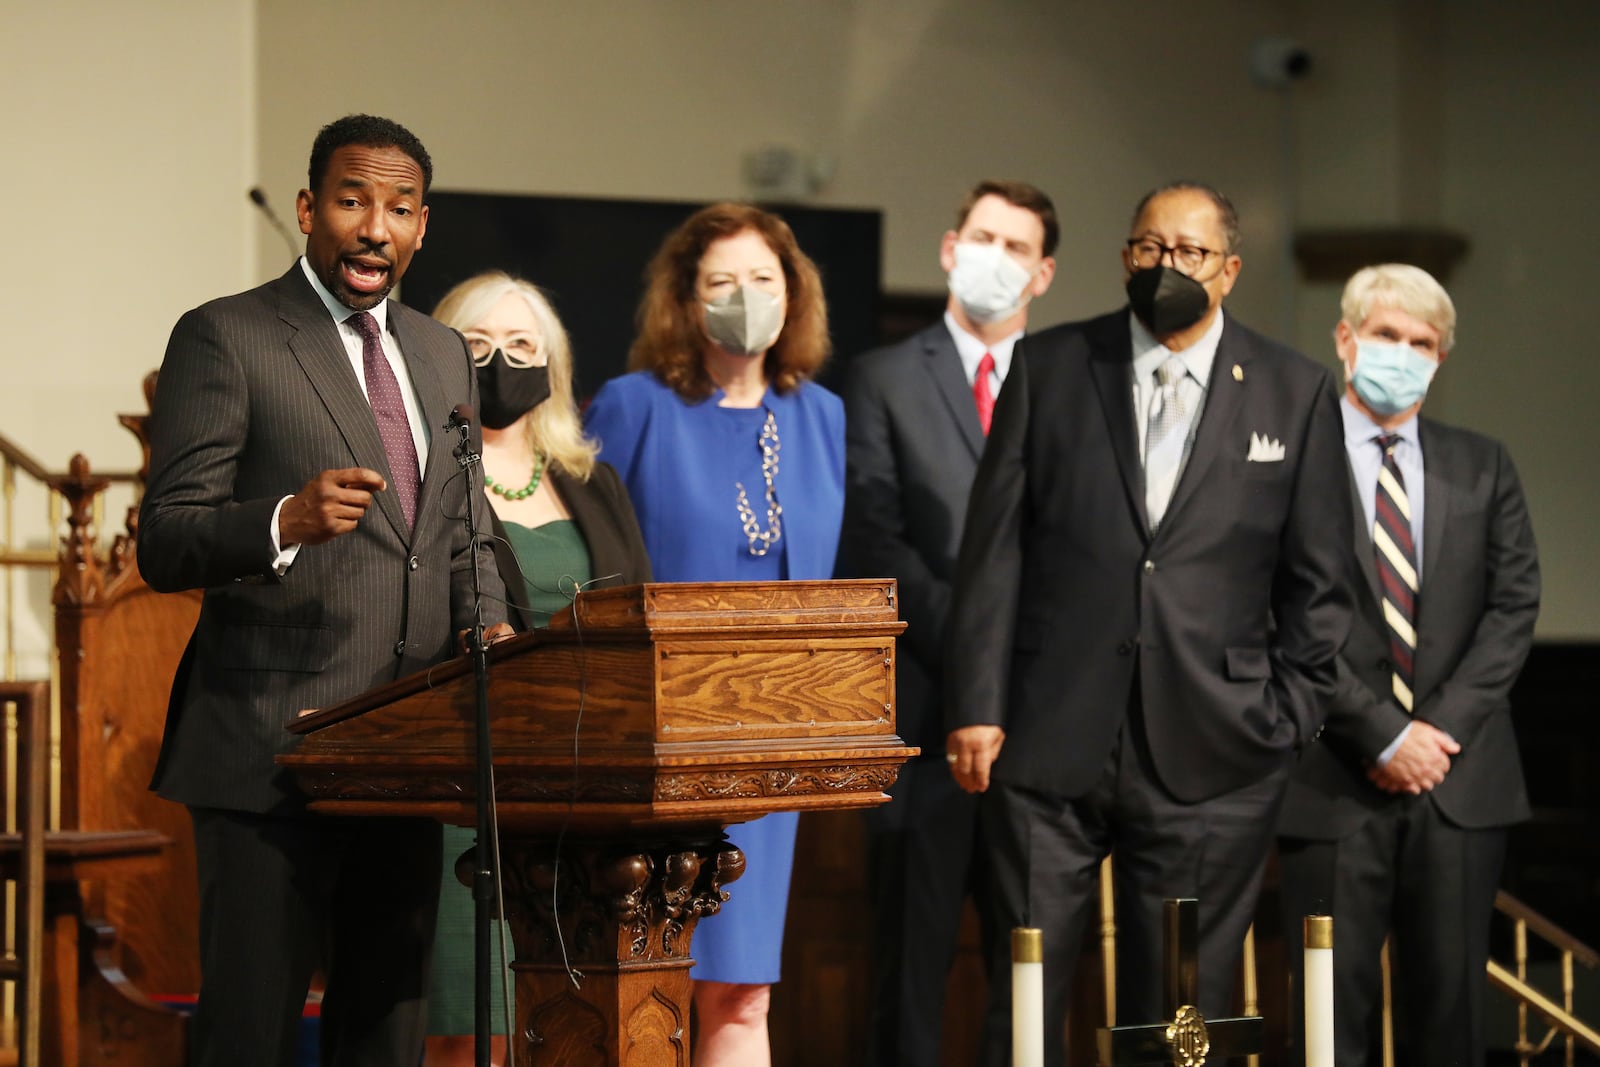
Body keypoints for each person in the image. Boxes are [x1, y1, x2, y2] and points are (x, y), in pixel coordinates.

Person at [944, 181, 1354, 1065]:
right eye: (1148, 248)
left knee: (1178, 1018)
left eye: (1190, 252)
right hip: (1045, 739)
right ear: (1126, 255)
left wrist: (1285, 719)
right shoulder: (1052, 366)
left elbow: (1320, 583)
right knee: (1020, 1002)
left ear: (1230, 270)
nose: (1166, 266)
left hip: (1218, 750)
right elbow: (995, 550)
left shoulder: (1295, 390)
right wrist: (977, 701)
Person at [139, 114, 510, 1067]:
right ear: (310, 210)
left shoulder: (439, 353)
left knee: (385, 1037)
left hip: (404, 757)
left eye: (397, 208)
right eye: (351, 201)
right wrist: (282, 522)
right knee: (249, 1036)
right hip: (270, 750)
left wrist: (496, 621)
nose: (373, 227)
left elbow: (462, 532)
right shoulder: (229, 335)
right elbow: (166, 538)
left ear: (423, 227)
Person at [582, 202, 843, 1067]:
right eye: (721, 281)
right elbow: (591, 565)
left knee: (743, 986)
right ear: (686, 301)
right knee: (647, 982)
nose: (744, 297)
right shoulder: (634, 405)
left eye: (762, 280)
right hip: (659, 738)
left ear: (792, 295)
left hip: (774, 736)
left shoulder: (822, 417)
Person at [1277, 264, 1539, 1067]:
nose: (1403, 353)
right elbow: (1278, 614)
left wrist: (1434, 732)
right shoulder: (1290, 457)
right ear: (1346, 339)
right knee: (1329, 1023)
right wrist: (1383, 734)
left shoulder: (1482, 464)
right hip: (1330, 776)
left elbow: (1513, 607)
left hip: (1458, 782)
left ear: (1440, 358)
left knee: (1451, 1020)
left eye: (1421, 342)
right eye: (1387, 334)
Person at [838, 179, 1058, 1067]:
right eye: (982, 237)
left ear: (1043, 275)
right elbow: (877, 540)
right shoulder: (883, 377)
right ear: (947, 246)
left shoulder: (1071, 385)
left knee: (1034, 971)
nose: (993, 258)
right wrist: (980, 659)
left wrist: (1012, 670)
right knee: (907, 975)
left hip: (1042, 729)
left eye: (1015, 247)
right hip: (922, 721)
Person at [424, 271, 653, 1066]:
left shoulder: (593, 483)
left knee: (570, 1026)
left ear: (552, 365)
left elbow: (636, 613)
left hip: (585, 796)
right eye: (478, 345)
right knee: (466, 1028)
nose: (500, 362)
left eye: (521, 346)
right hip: (468, 789)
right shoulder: (429, 476)